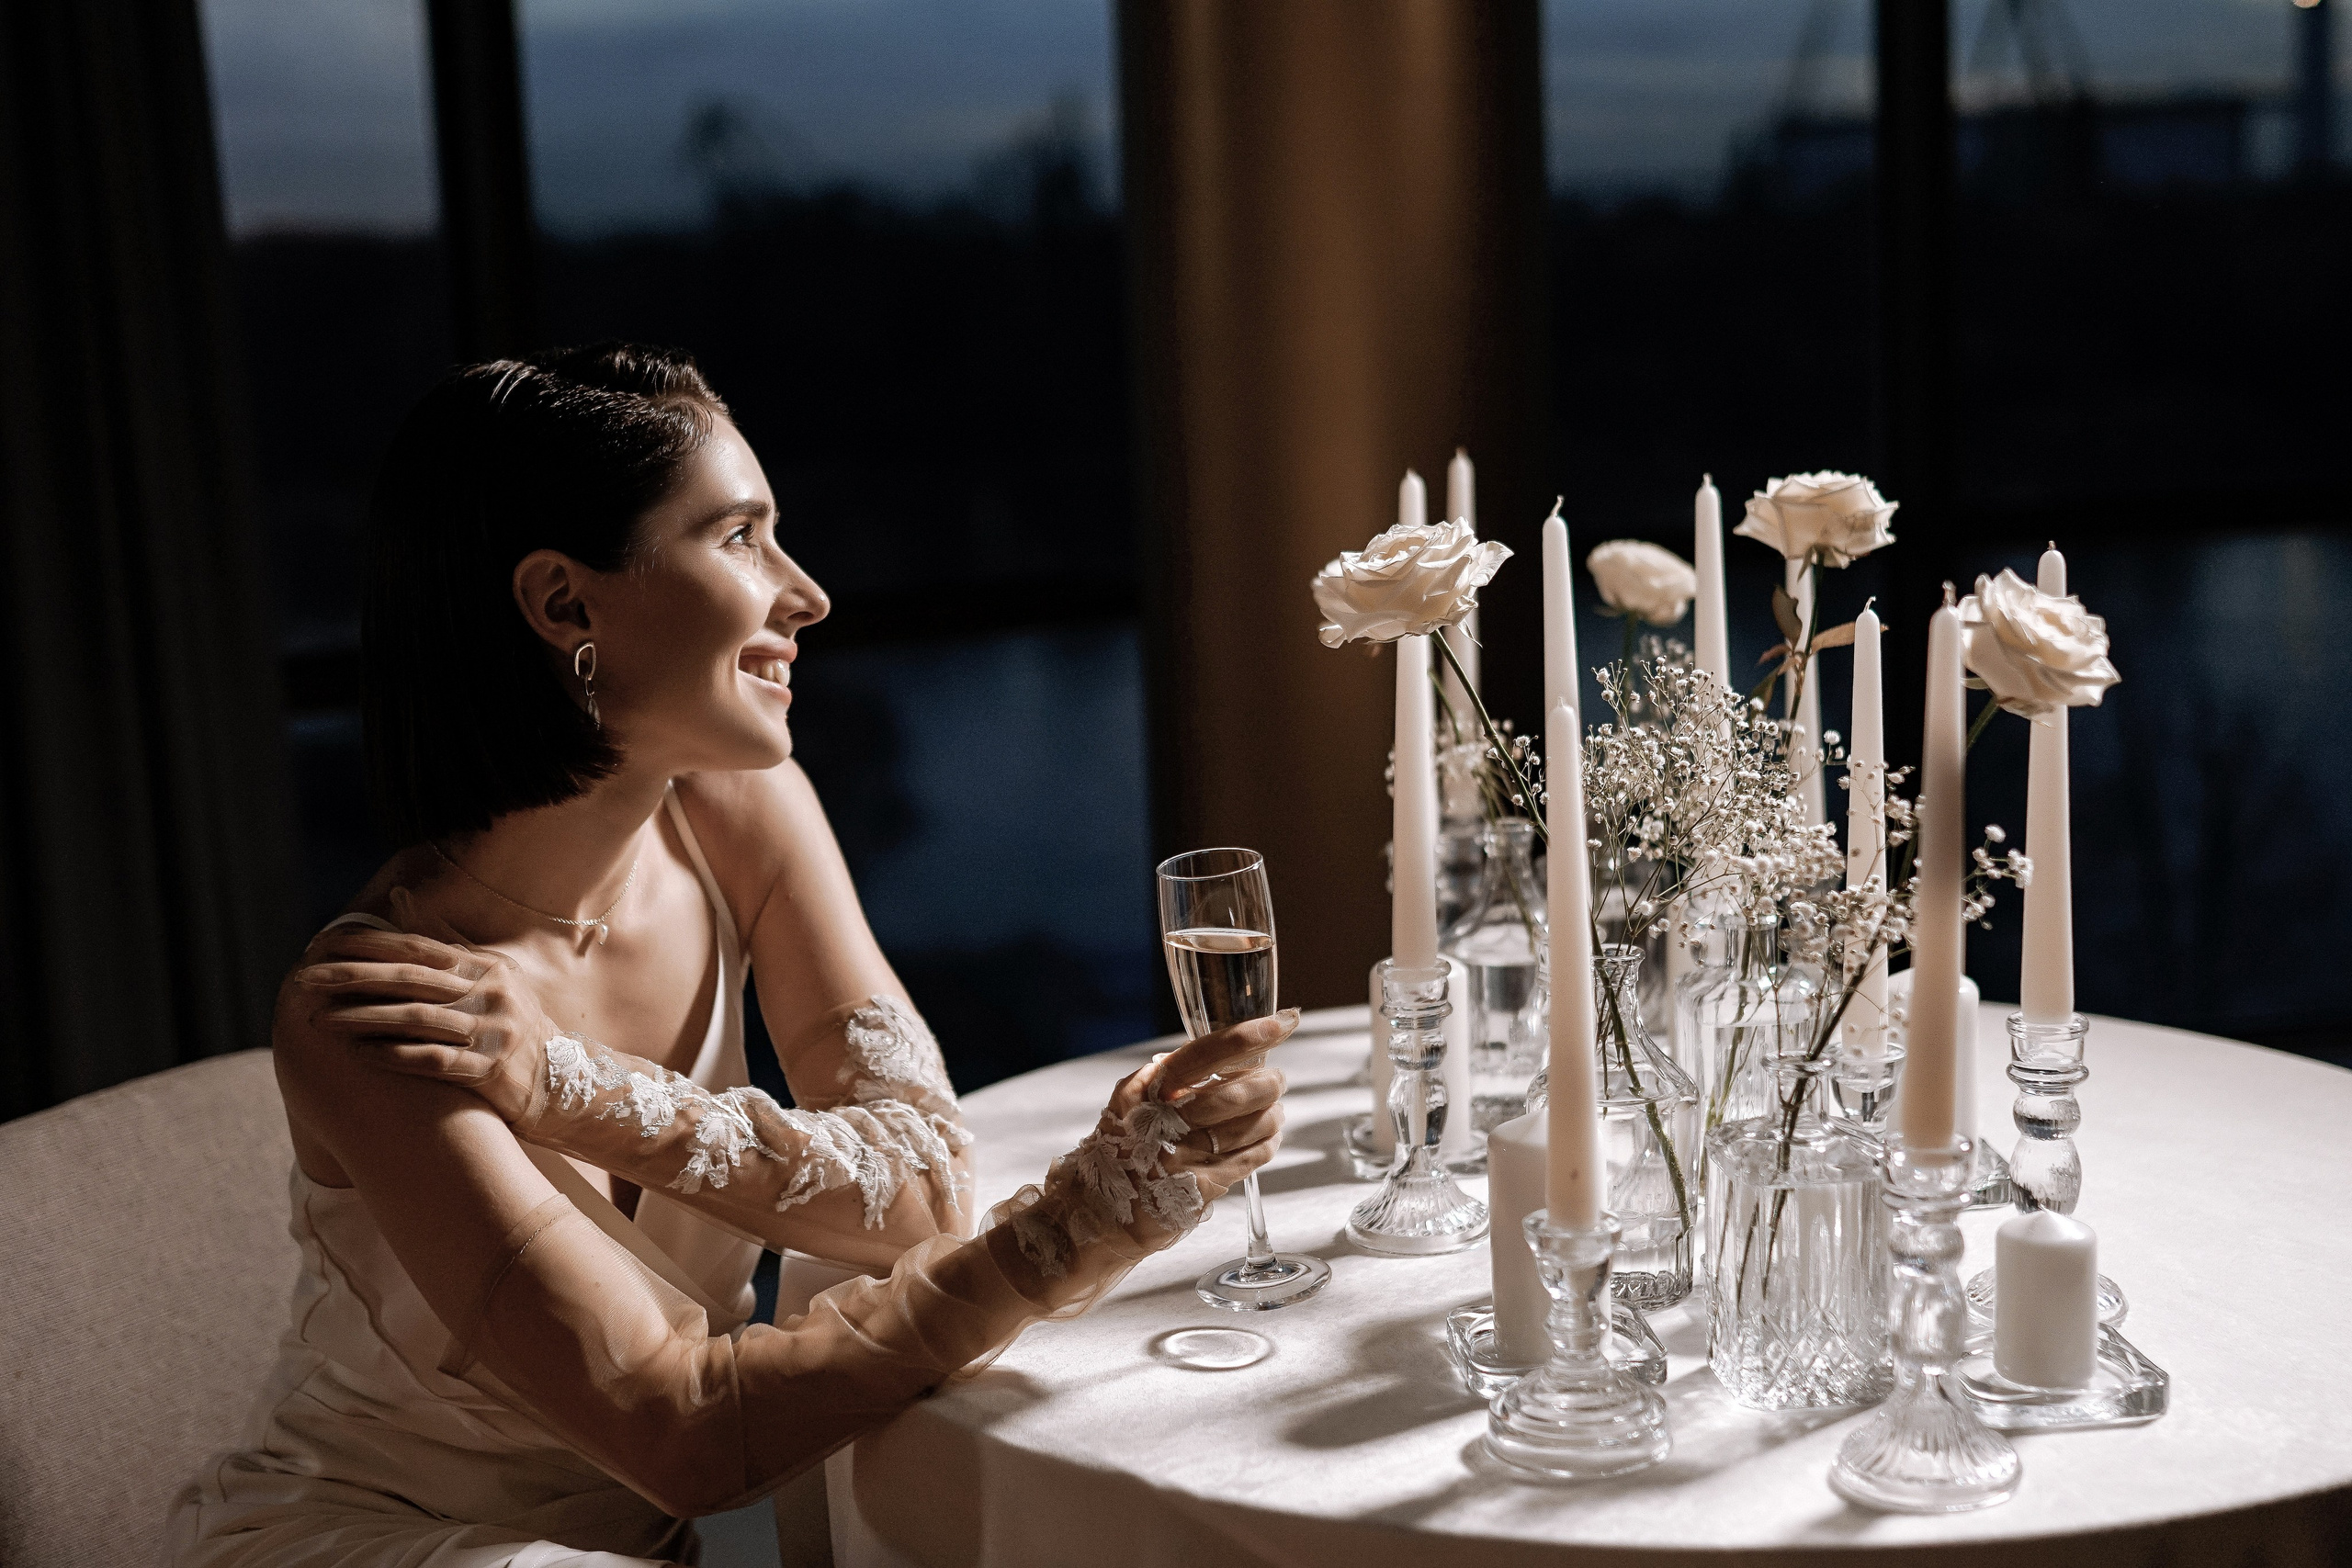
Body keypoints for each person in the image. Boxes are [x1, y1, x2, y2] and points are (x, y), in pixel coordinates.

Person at [168, 344, 1291, 1566]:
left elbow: (918, 1190)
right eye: (740, 538)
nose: (804, 594)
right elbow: (680, 1434)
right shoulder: (376, 1010)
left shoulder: (736, 811)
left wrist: (567, 1084)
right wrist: (1074, 1228)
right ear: (563, 605)